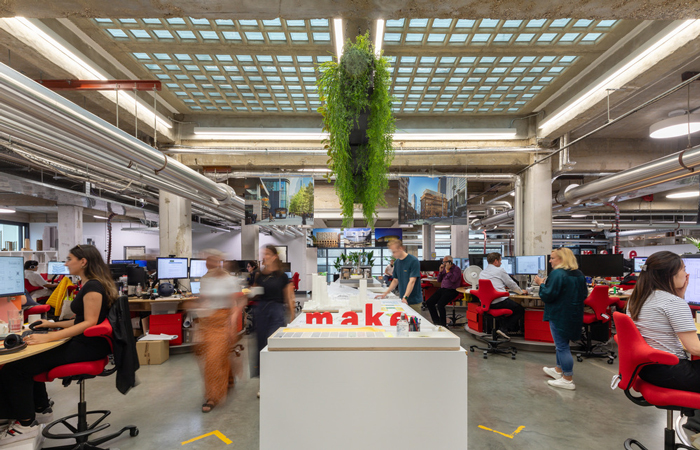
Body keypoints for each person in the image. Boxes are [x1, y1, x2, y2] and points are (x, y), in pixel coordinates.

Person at [0, 245, 115, 444]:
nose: (66, 263)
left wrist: (49, 337)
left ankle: (25, 425)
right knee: (29, 359)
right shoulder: (91, 284)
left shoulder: (93, 287)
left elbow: (89, 323)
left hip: (88, 346)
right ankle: (41, 409)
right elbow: (81, 320)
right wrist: (51, 325)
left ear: (83, 262)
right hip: (86, 342)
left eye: (69, 259)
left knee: (15, 368)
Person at [626, 251, 700, 393]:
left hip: (648, 369)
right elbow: (695, 349)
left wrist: (679, 296)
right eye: (684, 269)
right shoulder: (672, 302)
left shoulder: (637, 298)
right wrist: (678, 300)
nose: (686, 274)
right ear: (669, 275)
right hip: (671, 370)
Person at [190, 250, 245, 413]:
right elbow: (204, 300)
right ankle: (229, 378)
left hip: (223, 320)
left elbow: (239, 301)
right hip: (207, 321)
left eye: (213, 260)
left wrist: (232, 322)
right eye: (207, 260)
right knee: (214, 355)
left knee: (213, 359)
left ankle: (212, 396)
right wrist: (197, 312)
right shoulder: (205, 279)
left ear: (220, 261)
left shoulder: (229, 280)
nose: (209, 263)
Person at [533, 247, 587, 391]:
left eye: (552, 258)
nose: (550, 261)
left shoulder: (557, 274)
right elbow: (584, 294)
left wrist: (541, 284)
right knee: (562, 344)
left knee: (562, 346)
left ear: (562, 259)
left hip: (559, 314)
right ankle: (558, 370)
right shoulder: (579, 274)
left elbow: (548, 295)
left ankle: (567, 379)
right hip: (574, 313)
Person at [252, 245, 295, 381]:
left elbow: (289, 296)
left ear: (275, 257)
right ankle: (264, 377)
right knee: (261, 344)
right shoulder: (259, 275)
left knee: (273, 342)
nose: (264, 256)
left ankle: (276, 375)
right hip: (261, 312)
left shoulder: (282, 276)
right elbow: (255, 293)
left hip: (276, 311)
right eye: (263, 254)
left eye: (267, 254)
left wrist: (292, 315)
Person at [479, 252, 524, 338]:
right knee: (519, 309)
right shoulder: (500, 270)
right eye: (500, 260)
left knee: (509, 307)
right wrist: (521, 292)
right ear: (496, 261)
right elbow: (511, 284)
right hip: (498, 302)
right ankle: (503, 329)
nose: (501, 263)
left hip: (487, 304)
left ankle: (501, 329)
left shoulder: (482, 272)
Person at [378, 240, 423, 314]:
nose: (393, 254)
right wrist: (385, 293)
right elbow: (395, 280)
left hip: (413, 301)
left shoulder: (413, 261)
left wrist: (405, 297)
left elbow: (412, 281)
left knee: (413, 320)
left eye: (394, 252)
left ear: (401, 248)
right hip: (402, 300)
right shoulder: (397, 262)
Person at [426, 256, 462, 327]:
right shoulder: (444, 269)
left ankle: (443, 324)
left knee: (440, 304)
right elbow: (439, 280)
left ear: (450, 262)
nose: (443, 264)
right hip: (443, 289)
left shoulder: (456, 269)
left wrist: (448, 271)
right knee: (429, 302)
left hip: (452, 290)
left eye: (445, 262)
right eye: (443, 262)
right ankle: (436, 321)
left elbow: (453, 280)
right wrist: (440, 272)